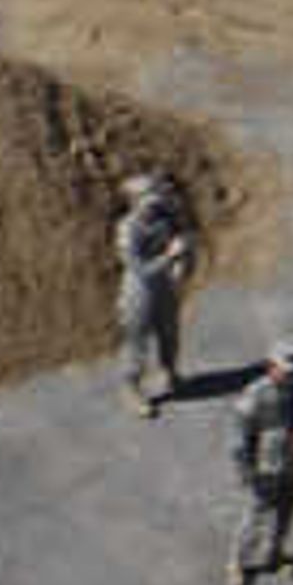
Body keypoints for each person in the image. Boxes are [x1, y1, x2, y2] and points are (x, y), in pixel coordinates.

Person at [228, 347, 293, 585]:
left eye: (292, 371)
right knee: (255, 518)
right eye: (284, 370)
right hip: (264, 468)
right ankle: (237, 565)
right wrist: (247, 474)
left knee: (286, 513)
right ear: (271, 367)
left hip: (291, 463)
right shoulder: (254, 396)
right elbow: (237, 441)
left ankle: (274, 555)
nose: (289, 375)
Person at [114, 167, 195, 412]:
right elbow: (139, 269)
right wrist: (169, 256)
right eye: (150, 199)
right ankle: (131, 389)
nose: (156, 203)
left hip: (165, 288)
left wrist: (182, 262)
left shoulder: (164, 217)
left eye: (157, 197)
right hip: (139, 293)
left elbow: (183, 237)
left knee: (169, 334)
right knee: (137, 344)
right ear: (137, 202)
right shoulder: (128, 229)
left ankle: (169, 373)